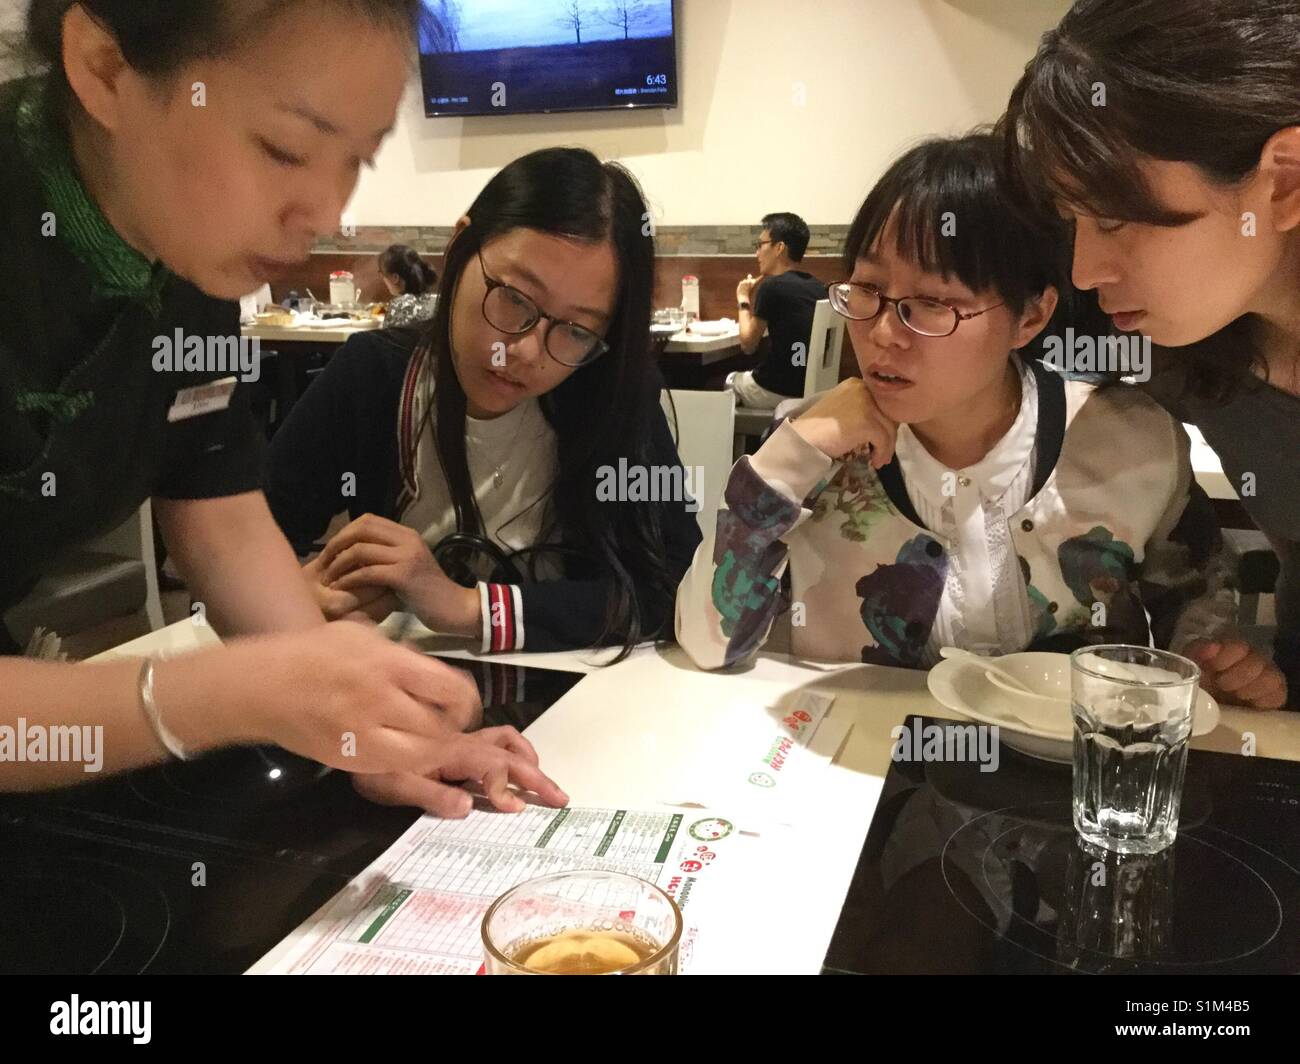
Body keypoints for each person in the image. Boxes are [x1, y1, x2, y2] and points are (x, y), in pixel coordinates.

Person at [0, 0, 567, 815]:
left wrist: (359, 724)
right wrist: (223, 694)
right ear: (102, 66)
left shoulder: (185, 257)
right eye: (284, 148)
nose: (326, 215)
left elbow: (218, 514)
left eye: (356, 160)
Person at [676, 133, 1286, 710]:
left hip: (1067, 789)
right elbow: (709, 644)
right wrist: (785, 462)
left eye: (932, 305)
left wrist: (1214, 667)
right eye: (867, 289)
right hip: (860, 784)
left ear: (1030, 316)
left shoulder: (1126, 437)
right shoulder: (810, 449)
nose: (885, 334)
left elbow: (1195, 607)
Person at [266, 148, 702, 659]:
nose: (524, 351)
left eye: (577, 330)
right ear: (457, 248)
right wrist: (292, 597)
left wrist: (466, 607)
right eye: (514, 298)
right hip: (395, 694)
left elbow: (675, 586)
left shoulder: (613, 393)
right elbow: (253, 540)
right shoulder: (374, 374)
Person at [1001, 0, 1300, 708]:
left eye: (1115, 217)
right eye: (1075, 220)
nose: (1085, 269)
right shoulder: (1186, 354)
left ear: (1283, 180)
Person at [728, 211, 828, 407]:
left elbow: (748, 345)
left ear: (779, 248)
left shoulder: (772, 286)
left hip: (776, 390)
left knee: (717, 383)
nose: (757, 253)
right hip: (811, 392)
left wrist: (743, 299)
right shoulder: (818, 287)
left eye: (760, 245)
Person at [378, 242, 438, 326]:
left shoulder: (399, 306)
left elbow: (389, 338)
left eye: (382, 274)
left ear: (395, 278)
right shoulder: (437, 302)